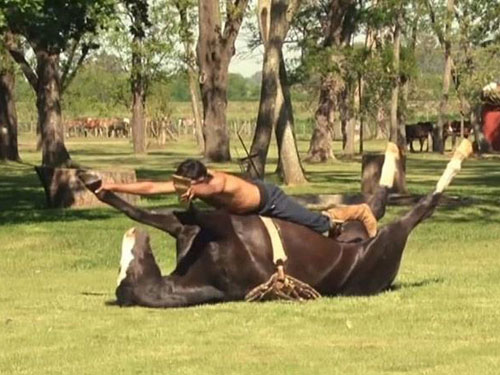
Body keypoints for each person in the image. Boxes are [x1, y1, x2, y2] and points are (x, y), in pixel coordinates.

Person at [97, 159, 378, 237]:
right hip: (240, 211)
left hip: (270, 200)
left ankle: (354, 211)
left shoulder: (216, 183)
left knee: (317, 224)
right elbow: (151, 188)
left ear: (201, 179)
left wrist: (194, 192)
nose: (184, 189)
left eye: (189, 185)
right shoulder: (194, 184)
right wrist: (113, 187)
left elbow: (211, 191)